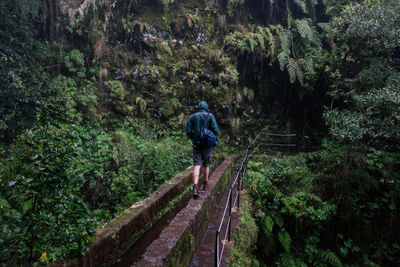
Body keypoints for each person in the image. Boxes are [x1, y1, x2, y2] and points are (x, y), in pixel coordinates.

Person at [186, 101, 219, 198]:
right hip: (207, 145)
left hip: (197, 144)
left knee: (197, 165)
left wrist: (194, 138)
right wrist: (209, 136)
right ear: (206, 107)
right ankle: (205, 183)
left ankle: (195, 187)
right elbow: (216, 130)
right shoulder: (210, 116)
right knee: (206, 164)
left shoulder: (193, 116)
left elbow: (188, 131)